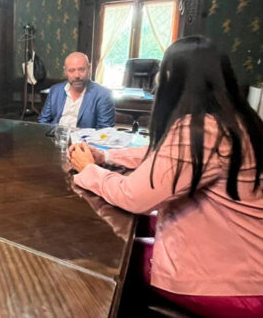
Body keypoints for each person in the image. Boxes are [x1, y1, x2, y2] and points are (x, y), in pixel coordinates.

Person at [69, 36, 263, 317]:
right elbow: (166, 156)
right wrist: (106, 157)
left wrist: (89, 169)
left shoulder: (201, 130)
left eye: (163, 71)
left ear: (175, 78)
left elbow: (133, 196)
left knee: (103, 251)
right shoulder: (235, 119)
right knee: (127, 230)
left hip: (230, 280)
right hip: (241, 256)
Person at [38, 52, 115, 129]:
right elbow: (43, 121)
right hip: (55, 135)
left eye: (81, 70)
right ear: (65, 71)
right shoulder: (55, 91)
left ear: (89, 68)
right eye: (71, 70)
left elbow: (104, 130)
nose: (77, 75)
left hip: (85, 136)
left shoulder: (104, 95)